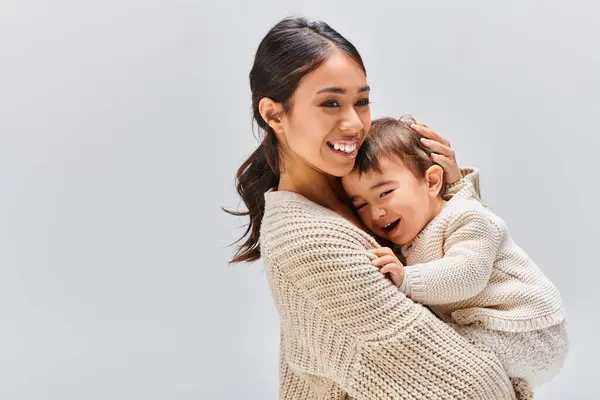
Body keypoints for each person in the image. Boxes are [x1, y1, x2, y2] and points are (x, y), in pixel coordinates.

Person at [227, 17, 526, 399]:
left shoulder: (360, 188)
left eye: (362, 101)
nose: (354, 123)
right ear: (274, 115)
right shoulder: (307, 240)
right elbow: (464, 386)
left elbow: (477, 284)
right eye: (331, 103)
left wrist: (449, 195)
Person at [341, 117, 568, 388]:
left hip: (527, 329)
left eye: (386, 192)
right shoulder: (411, 232)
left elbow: (467, 274)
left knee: (428, 359)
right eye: (361, 205)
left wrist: (406, 279)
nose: (376, 212)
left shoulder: (468, 218)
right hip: (491, 331)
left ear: (433, 182)